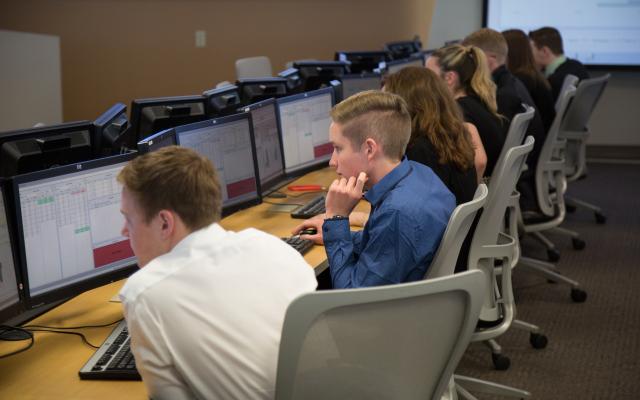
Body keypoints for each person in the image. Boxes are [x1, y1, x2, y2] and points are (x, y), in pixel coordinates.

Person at [117, 146, 317, 400]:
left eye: (129, 219)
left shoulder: (145, 293)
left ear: (165, 223)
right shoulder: (274, 247)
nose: (124, 231)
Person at [293, 90, 455, 288]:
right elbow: (383, 243)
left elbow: (351, 297)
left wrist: (336, 218)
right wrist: (338, 235)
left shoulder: (397, 212)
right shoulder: (420, 175)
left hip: (382, 315)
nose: (332, 162)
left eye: (338, 148)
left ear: (369, 149)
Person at [462, 28, 548, 211]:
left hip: (509, 181)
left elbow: (490, 152)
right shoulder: (511, 85)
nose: (466, 66)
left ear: (490, 60)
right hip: (520, 173)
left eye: (471, 58)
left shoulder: (504, 96)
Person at [383, 66, 481, 203]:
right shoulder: (450, 136)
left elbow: (410, 207)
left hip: (438, 223)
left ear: (406, 106)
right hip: (456, 221)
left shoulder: (421, 150)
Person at [426, 44, 505, 177]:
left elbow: (479, 162)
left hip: (480, 190)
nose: (423, 83)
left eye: (428, 76)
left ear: (449, 78)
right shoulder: (477, 102)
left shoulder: (459, 112)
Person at [502, 28, 556, 132]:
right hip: (539, 139)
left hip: (534, 142)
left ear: (510, 53)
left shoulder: (521, 81)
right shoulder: (532, 75)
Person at [528, 26, 590, 101]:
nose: (529, 55)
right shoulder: (577, 65)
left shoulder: (554, 81)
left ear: (544, 51)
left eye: (530, 50)